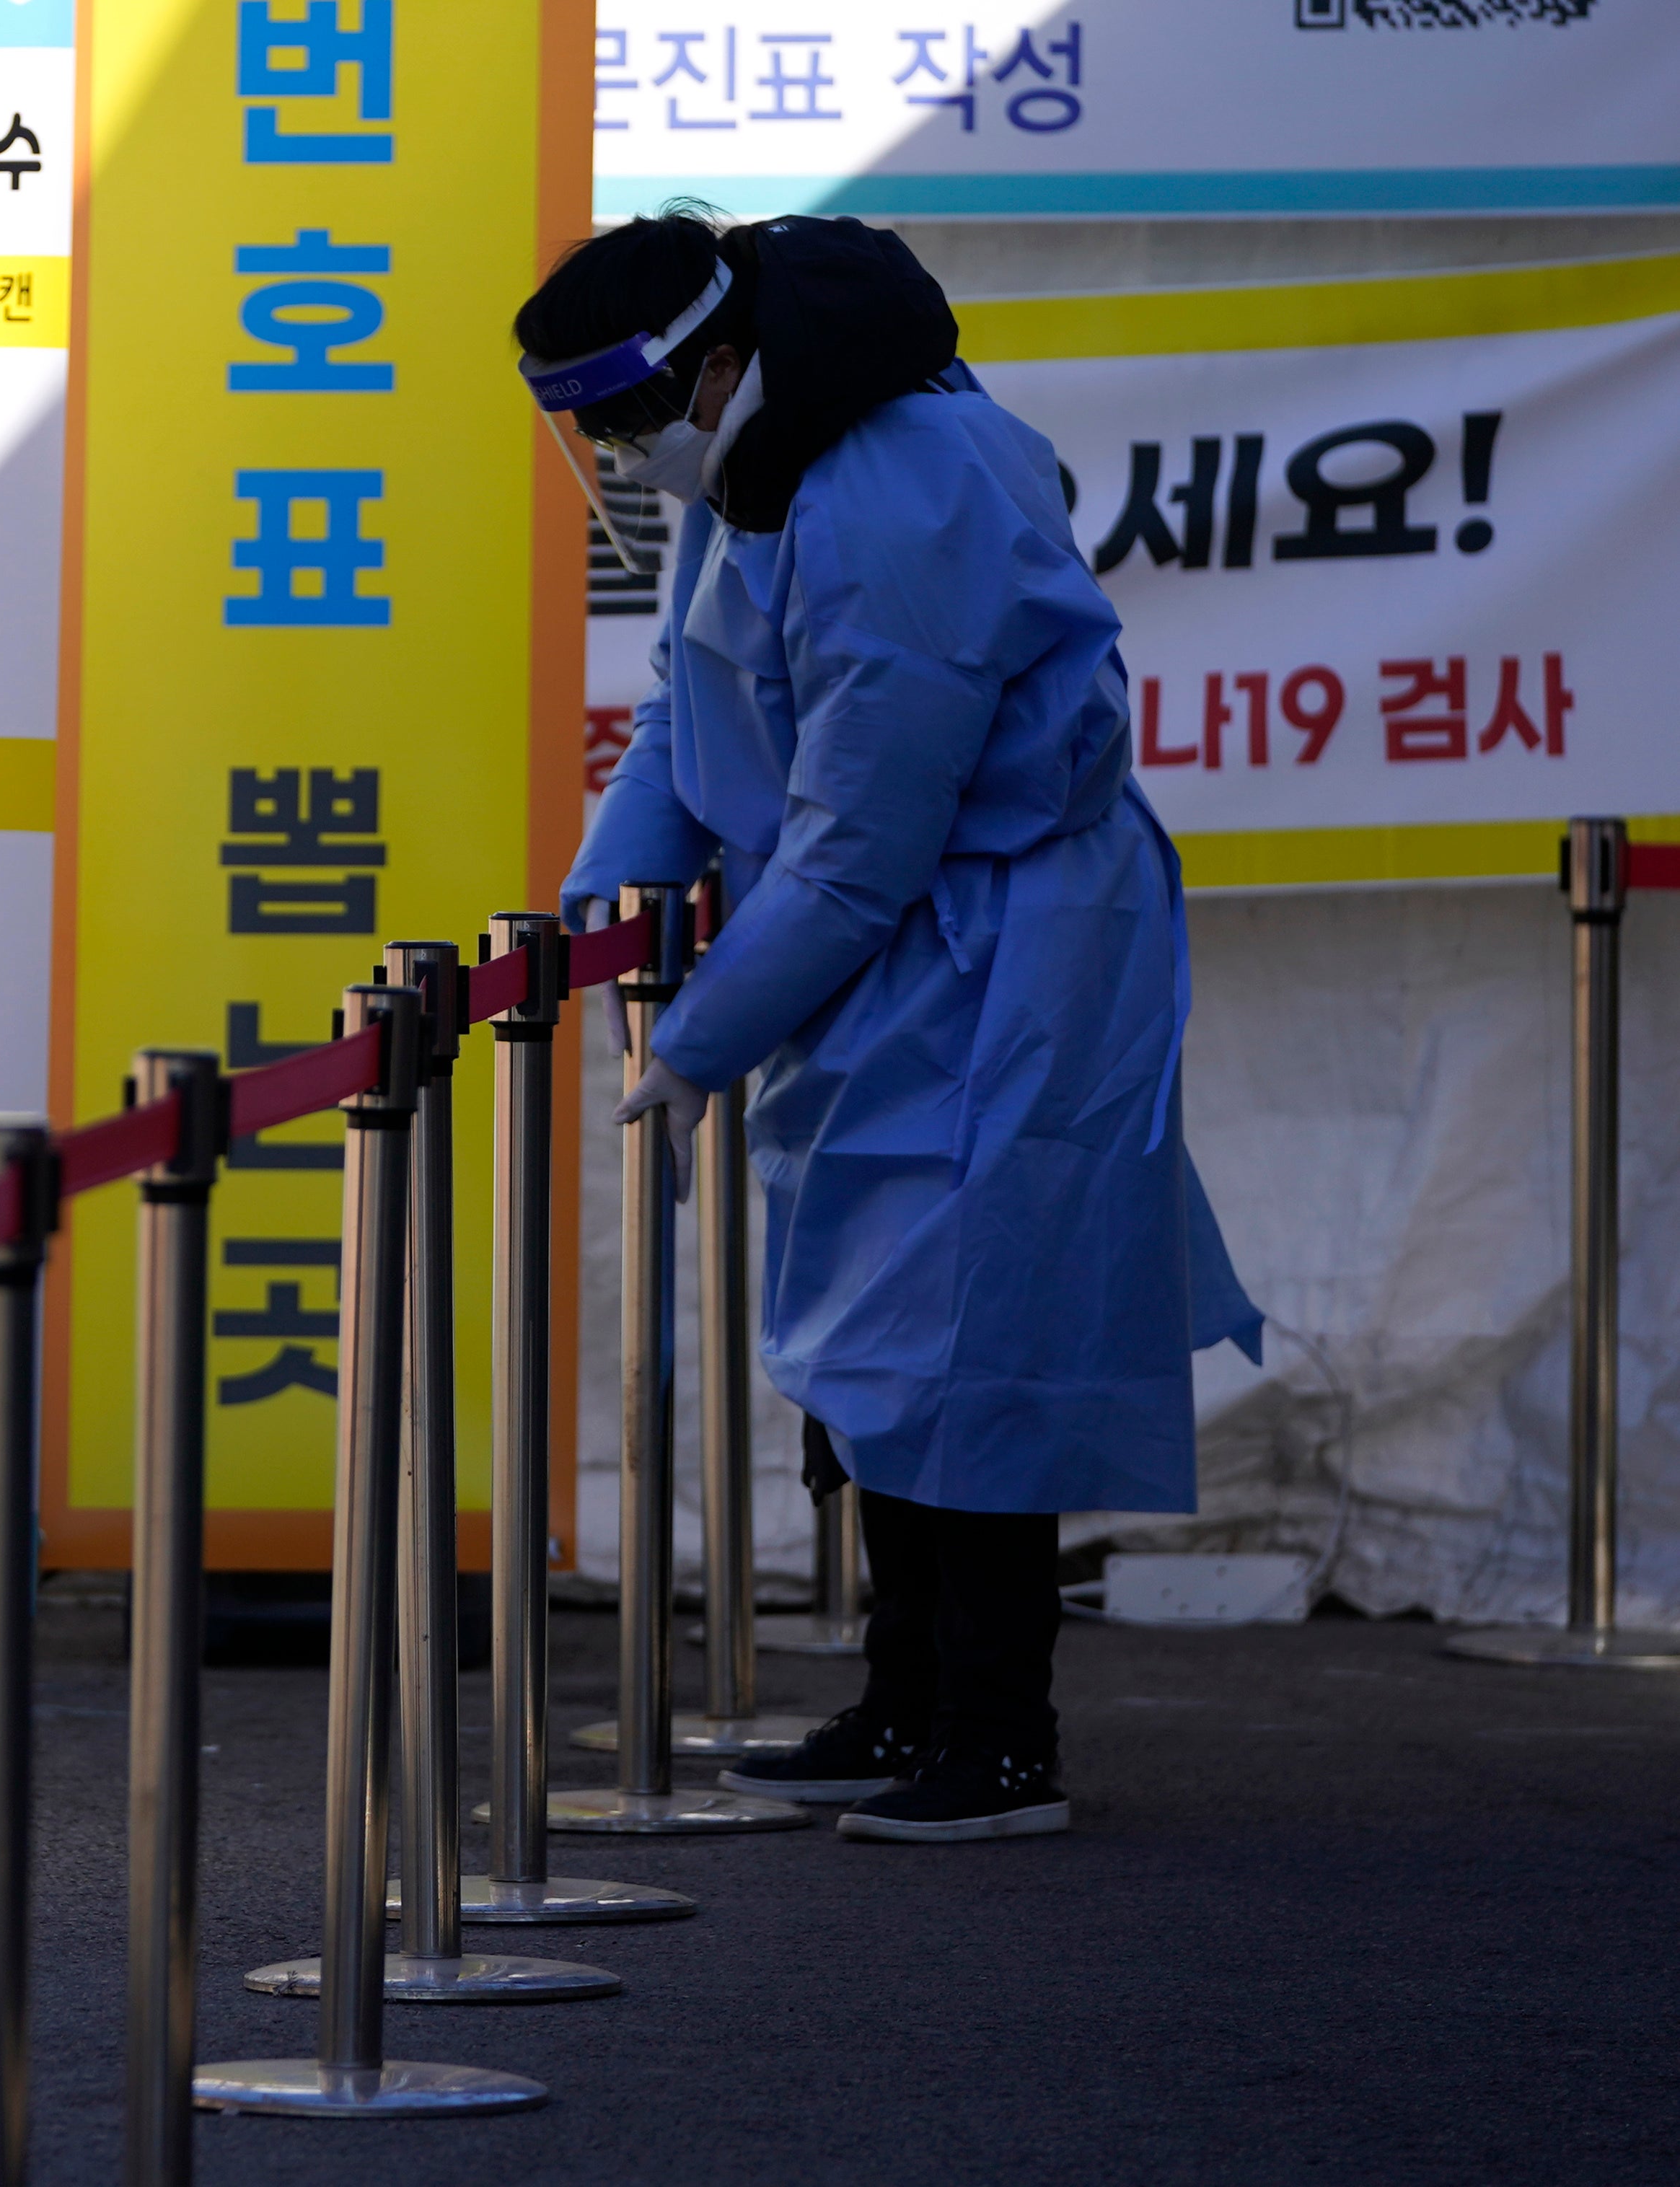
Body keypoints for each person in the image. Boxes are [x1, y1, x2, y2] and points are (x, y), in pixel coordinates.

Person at [519, 208, 1262, 1844]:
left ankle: (999, 1738)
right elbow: (687, 703)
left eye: (637, 422)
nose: (630, 460)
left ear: (718, 361)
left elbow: (869, 837)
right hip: (881, 947)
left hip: (1008, 947)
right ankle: (901, 1692)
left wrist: (699, 1044)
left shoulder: (903, 489)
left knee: (976, 1339)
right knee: (860, 1333)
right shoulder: (765, 456)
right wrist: (600, 898)